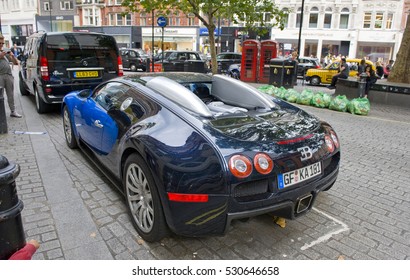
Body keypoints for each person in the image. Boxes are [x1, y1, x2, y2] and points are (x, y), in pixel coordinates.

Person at [0, 34, 22, 118]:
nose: (1, 45)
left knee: (10, 94)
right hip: (0, 76)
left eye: (2, 43)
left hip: (8, 75)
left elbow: (15, 62)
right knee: (0, 95)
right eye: (0, 43)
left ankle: (13, 111)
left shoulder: (5, 50)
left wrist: (12, 56)